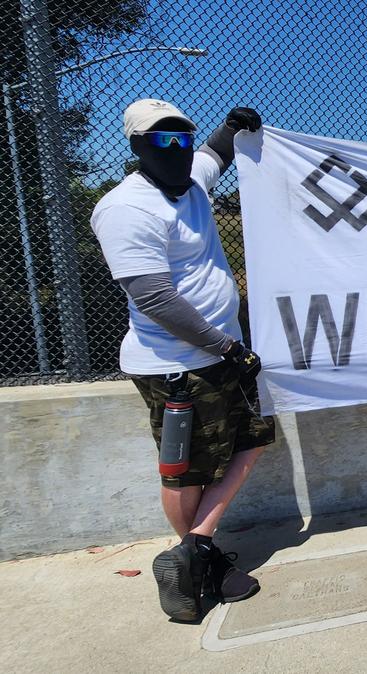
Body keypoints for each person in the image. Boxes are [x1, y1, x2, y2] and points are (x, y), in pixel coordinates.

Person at [90, 99, 273, 622]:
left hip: (225, 359)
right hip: (176, 365)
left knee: (254, 440)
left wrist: (233, 126)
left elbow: (216, 152)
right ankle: (199, 564)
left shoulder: (193, 179)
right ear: (136, 146)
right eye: (161, 140)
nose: (176, 148)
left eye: (181, 137)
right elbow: (154, 298)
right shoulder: (126, 209)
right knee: (186, 471)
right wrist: (227, 348)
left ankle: (194, 549)